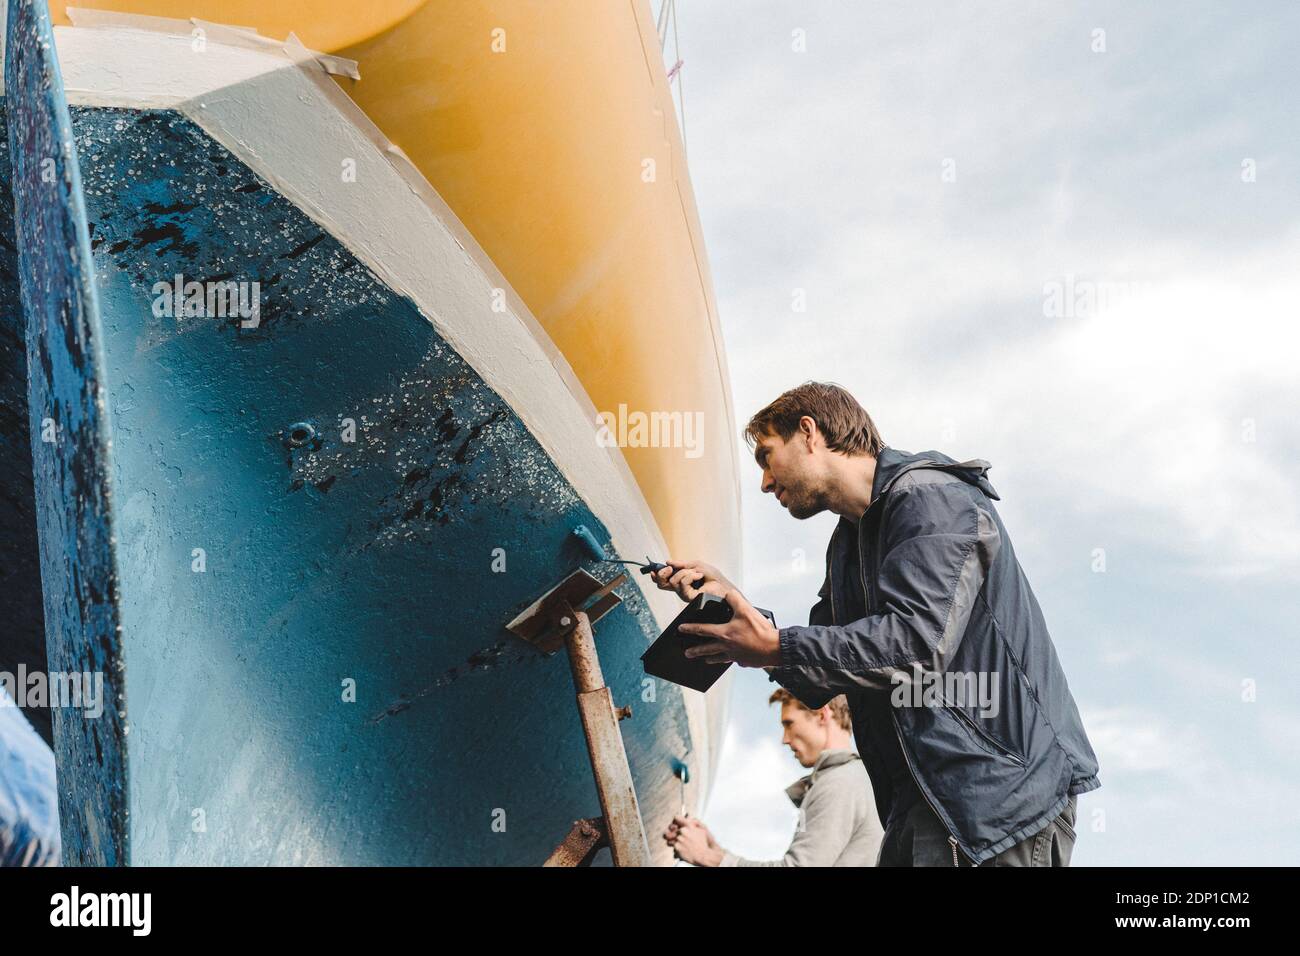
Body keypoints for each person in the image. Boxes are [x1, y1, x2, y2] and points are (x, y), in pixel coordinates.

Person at [653, 381, 1099, 866]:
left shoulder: (933, 499)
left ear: (809, 432)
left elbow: (916, 645)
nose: (764, 482)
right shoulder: (847, 549)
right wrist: (736, 608)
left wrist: (776, 646)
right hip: (920, 801)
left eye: (766, 456)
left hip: (994, 800)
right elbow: (822, 673)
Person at [664, 689, 882, 867]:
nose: (785, 739)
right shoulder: (856, 779)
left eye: (789, 724)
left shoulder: (839, 782)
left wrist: (708, 857)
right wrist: (714, 849)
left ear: (822, 715)